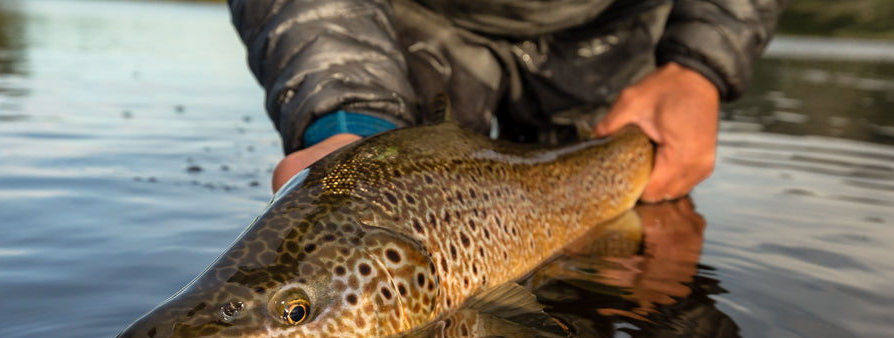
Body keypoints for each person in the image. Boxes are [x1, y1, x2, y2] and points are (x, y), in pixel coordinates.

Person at [228, 0, 784, 201]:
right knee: (393, 185)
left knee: (639, 212)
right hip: (417, 18)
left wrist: (698, 68)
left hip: (616, 23)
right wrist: (348, 118)